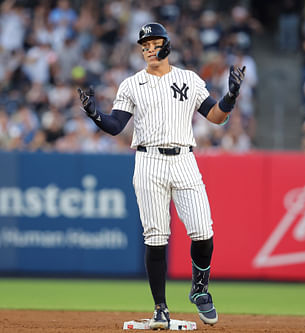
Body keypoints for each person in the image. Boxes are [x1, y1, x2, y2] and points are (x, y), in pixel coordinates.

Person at [77, 22, 245, 330]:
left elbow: (217, 117)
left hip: (184, 159)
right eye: (144, 46)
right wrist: (95, 114)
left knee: (203, 232)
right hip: (148, 160)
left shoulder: (188, 79)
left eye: (153, 44)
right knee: (155, 238)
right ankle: (160, 309)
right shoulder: (131, 84)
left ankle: (200, 288)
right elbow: (116, 125)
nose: (148, 50)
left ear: (166, 45)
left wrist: (231, 96)